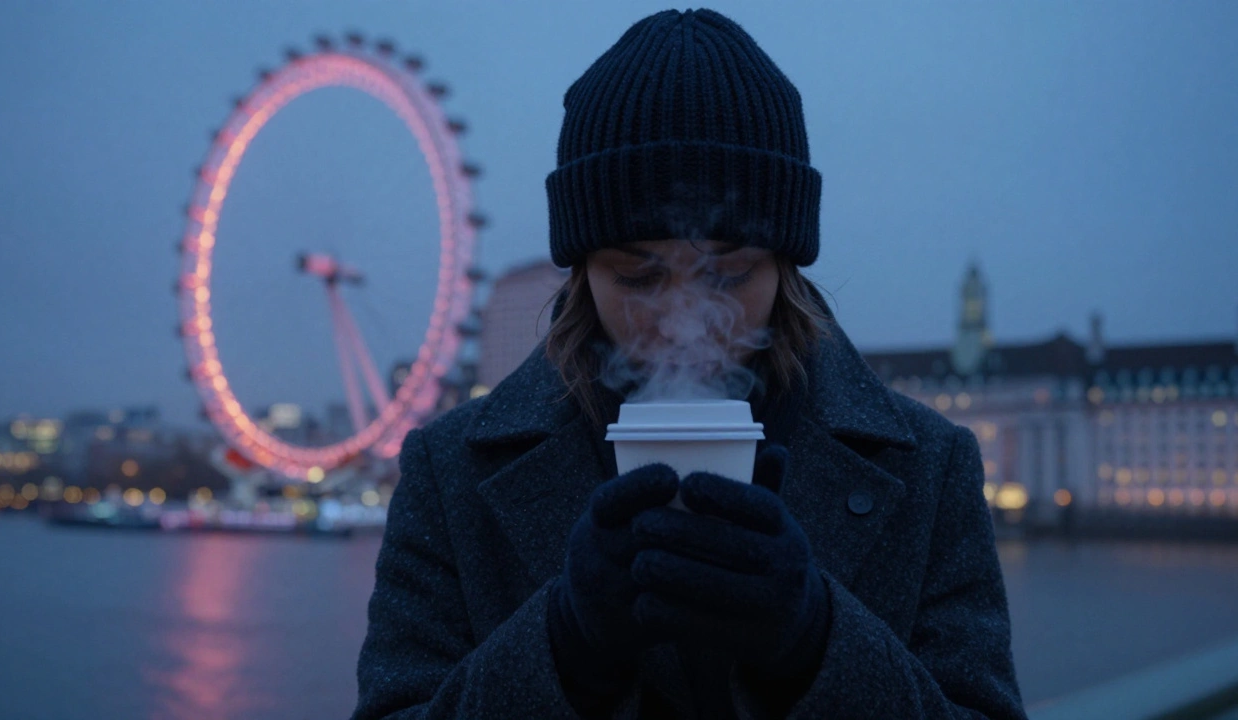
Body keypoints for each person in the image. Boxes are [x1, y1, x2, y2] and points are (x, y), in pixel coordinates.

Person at [353, 8, 1027, 719]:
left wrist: (817, 642)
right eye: (637, 276)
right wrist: (563, 647)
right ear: (582, 270)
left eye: (728, 274)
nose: (682, 319)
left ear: (785, 263)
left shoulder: (930, 468)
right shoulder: (448, 472)